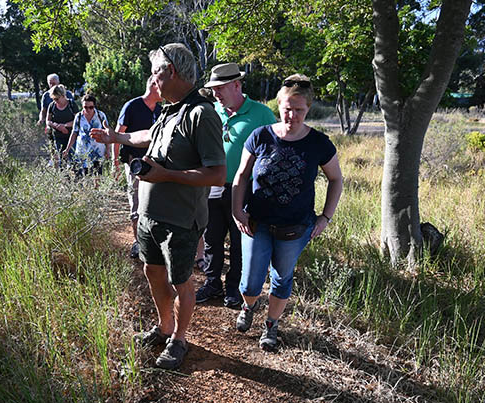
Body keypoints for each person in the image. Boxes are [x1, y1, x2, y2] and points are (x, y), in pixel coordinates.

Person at [91, 43, 226, 370]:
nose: (153, 81)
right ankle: (164, 327)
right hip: (150, 217)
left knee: (182, 281)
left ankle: (179, 339)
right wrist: (115, 138)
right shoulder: (170, 109)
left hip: (181, 220)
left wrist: (165, 174)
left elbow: (217, 174)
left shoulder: (201, 114)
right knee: (153, 271)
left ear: (172, 72)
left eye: (156, 74)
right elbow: (146, 137)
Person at [231, 74, 343, 351]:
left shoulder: (319, 143)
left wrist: (325, 218)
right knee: (250, 281)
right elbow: (241, 176)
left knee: (282, 278)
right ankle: (248, 307)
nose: (292, 115)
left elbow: (336, 179)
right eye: (287, 109)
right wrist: (236, 210)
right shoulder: (261, 136)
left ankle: (271, 325)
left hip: (295, 227)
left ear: (309, 109)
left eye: (299, 110)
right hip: (256, 222)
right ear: (278, 106)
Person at [195, 63, 276, 308]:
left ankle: (233, 288)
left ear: (237, 85)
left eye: (220, 88)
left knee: (241, 239)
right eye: (213, 89)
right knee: (212, 237)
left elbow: (274, 151)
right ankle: (212, 282)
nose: (216, 94)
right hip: (212, 185)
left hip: (245, 188)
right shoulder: (213, 111)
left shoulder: (261, 115)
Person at [114, 76, 162, 258]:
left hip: (155, 165)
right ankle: (138, 243)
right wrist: (115, 162)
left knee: (153, 205)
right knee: (136, 203)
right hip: (134, 163)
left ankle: (151, 242)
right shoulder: (132, 106)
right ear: (153, 85)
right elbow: (118, 134)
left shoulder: (160, 110)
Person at [64, 94, 109, 176]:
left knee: (97, 175)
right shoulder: (79, 117)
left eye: (90, 107)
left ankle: (96, 189)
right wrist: (67, 149)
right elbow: (74, 133)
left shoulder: (101, 115)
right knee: (83, 175)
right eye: (85, 107)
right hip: (83, 151)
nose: (88, 109)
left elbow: (107, 133)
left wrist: (108, 150)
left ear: (94, 106)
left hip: (98, 150)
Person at [46, 85, 79, 166]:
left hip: (72, 136)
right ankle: (64, 177)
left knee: (73, 159)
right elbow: (48, 121)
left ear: (63, 96)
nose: (55, 101)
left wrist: (65, 125)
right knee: (62, 160)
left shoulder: (72, 104)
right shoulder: (52, 106)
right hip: (58, 137)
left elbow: (77, 120)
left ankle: (76, 177)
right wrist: (57, 126)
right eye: (53, 99)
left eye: (57, 99)